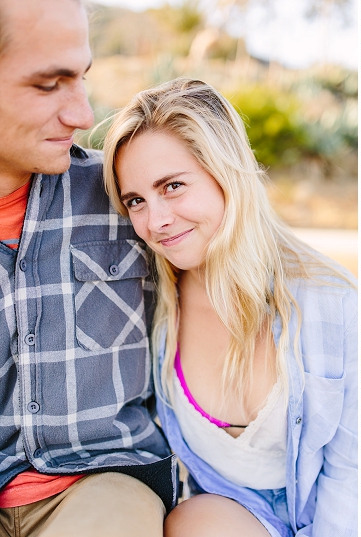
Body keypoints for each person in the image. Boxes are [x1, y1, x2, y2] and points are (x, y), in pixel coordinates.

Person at [102, 78, 358, 537]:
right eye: (136, 200)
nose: (155, 220)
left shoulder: (330, 301)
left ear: (227, 173)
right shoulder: (152, 307)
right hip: (233, 520)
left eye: (174, 186)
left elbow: (350, 472)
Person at [0, 0, 175, 535]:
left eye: (81, 77)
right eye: (49, 85)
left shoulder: (128, 195)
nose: (83, 114)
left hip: (102, 478)